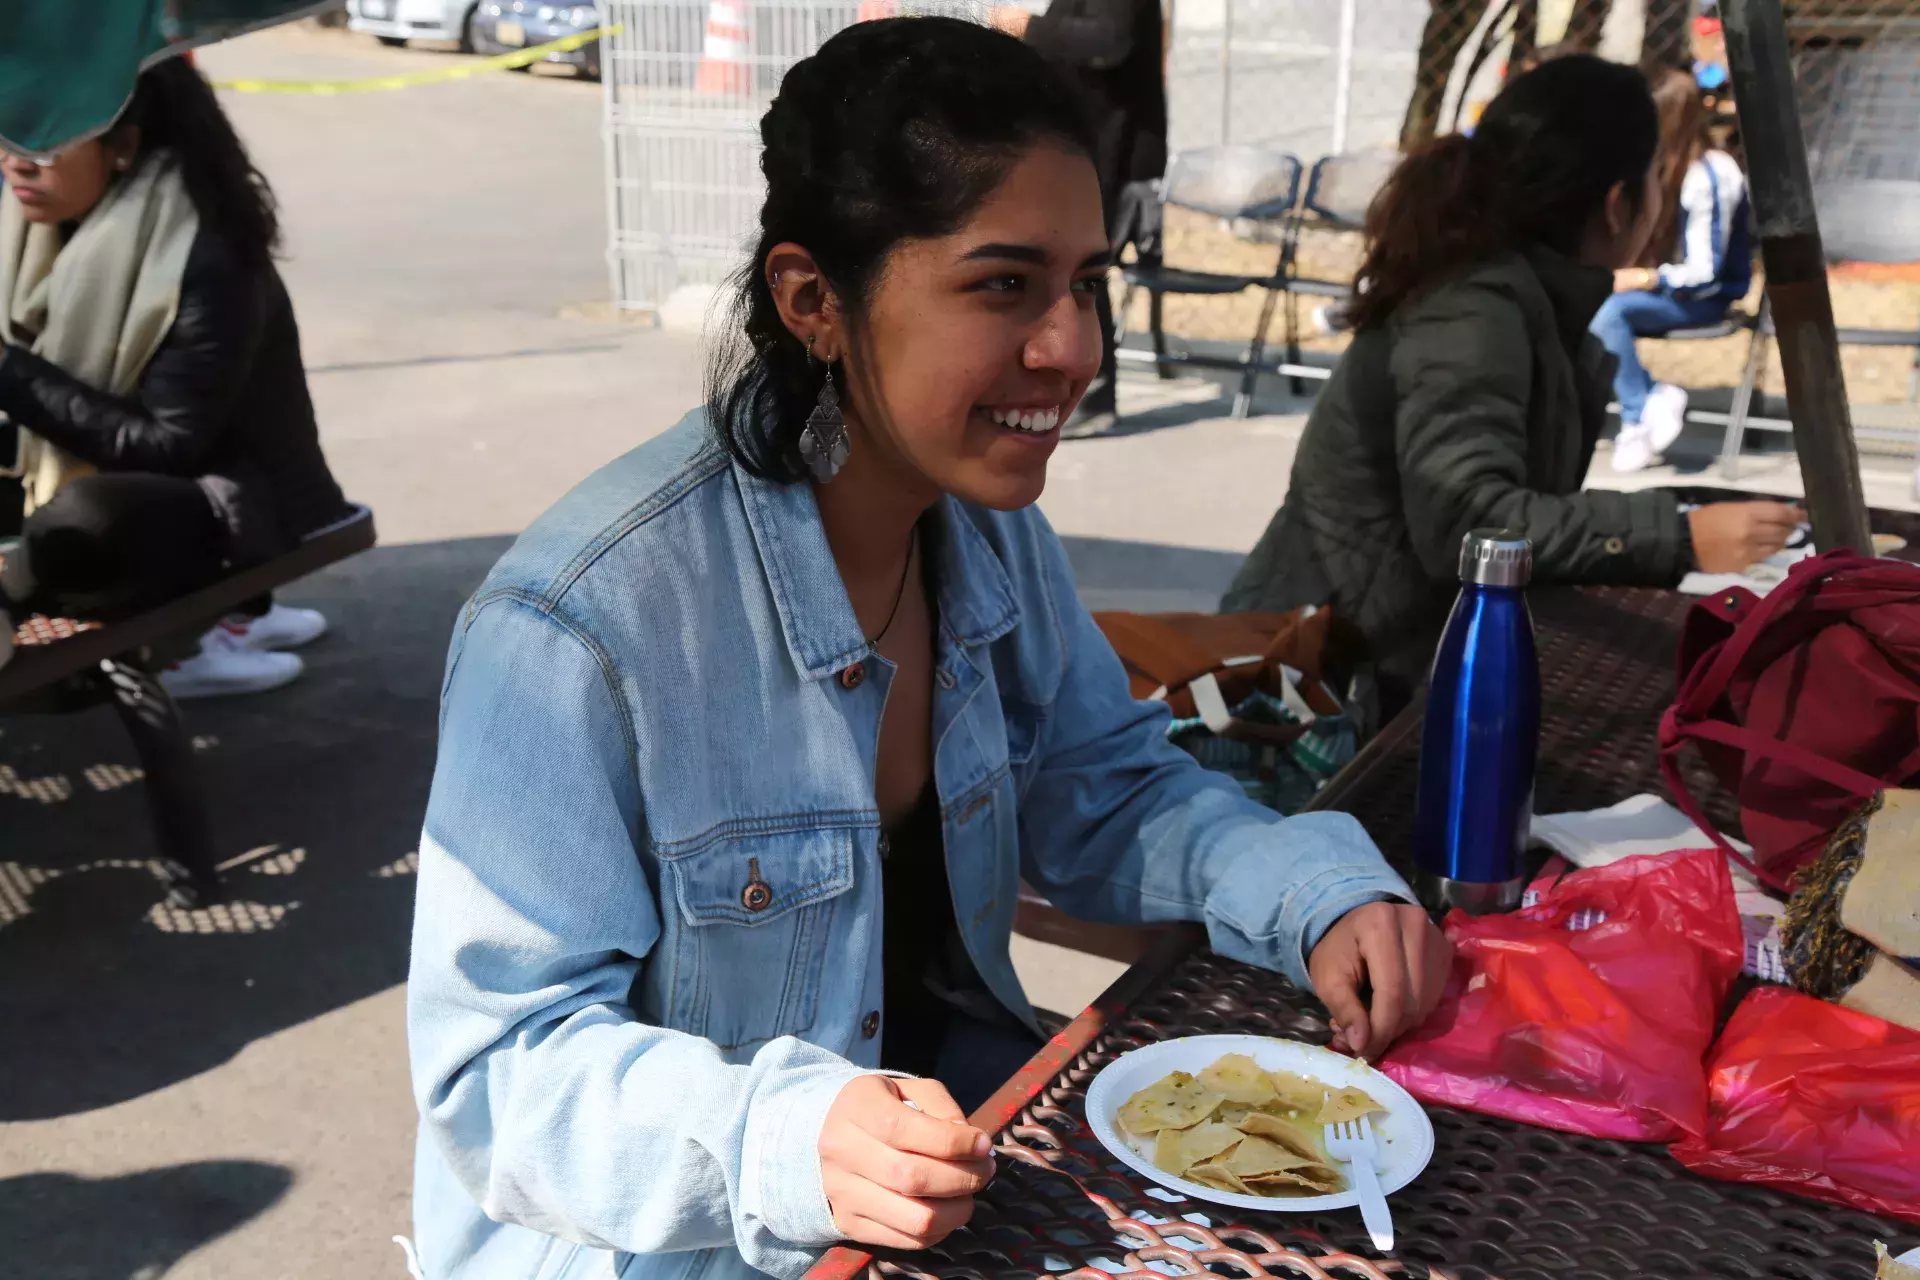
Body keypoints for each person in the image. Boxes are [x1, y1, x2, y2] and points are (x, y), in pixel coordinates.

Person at [404, 18, 1449, 1280]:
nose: (1073, 349)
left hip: (953, 1166)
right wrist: (787, 1135)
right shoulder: (582, 626)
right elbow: (495, 1074)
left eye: (1086, 283)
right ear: (812, 302)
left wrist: (1307, 886)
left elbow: (1101, 788)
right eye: (1003, 283)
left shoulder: (987, 535)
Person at [1222, 56, 1798, 715]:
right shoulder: (1472, 311)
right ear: (1617, 205)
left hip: (1385, 670)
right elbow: (1469, 522)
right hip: (1310, 696)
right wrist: (1677, 535)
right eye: (1655, 177)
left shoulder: (1526, 303)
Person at [0, 58, 349, 697]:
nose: (17, 163)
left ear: (124, 146)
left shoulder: (204, 250)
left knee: (82, 522)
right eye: (9, 139)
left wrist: (7, 371)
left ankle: (203, 638)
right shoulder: (41, 225)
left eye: (44, 145)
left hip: (226, 502)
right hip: (132, 474)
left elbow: (171, 445)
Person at [993, 0, 1167, 434]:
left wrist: (1028, 27)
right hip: (1089, 153)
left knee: (1083, 273)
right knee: (1073, 271)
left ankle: (1093, 396)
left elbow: (1108, 42)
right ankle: (1074, 388)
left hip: (1116, 159)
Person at [1594, 66, 1750, 472]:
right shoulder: (1653, 168)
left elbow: (1706, 273)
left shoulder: (1711, 176)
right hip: (1659, 292)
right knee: (1585, 295)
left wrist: (1643, 278)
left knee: (1609, 311)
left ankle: (1636, 417)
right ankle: (1651, 399)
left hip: (1704, 299)